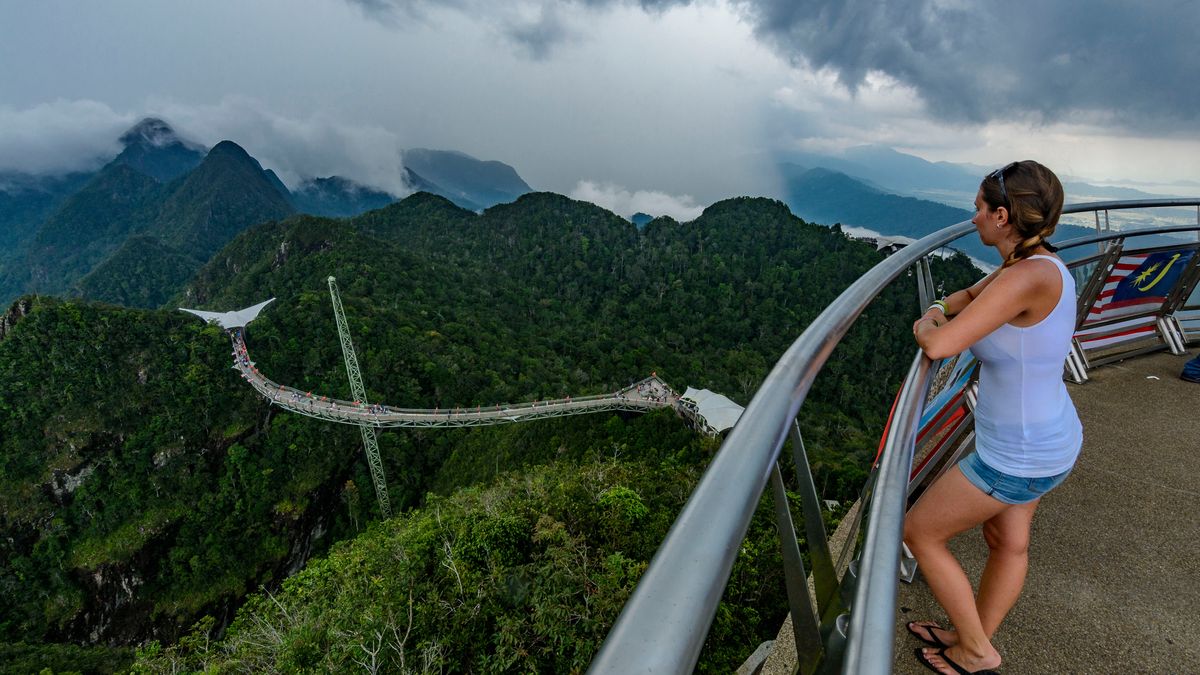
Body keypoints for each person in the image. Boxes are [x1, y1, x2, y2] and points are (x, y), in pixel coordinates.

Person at [904, 160, 1083, 674]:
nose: (974, 215)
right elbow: (965, 298)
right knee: (1008, 542)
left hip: (1019, 454)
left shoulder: (1024, 279)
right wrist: (944, 304)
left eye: (981, 208)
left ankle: (977, 653)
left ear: (1003, 216)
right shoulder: (1034, 266)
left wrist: (930, 318)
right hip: (1047, 441)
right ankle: (971, 633)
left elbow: (938, 342)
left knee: (920, 532)